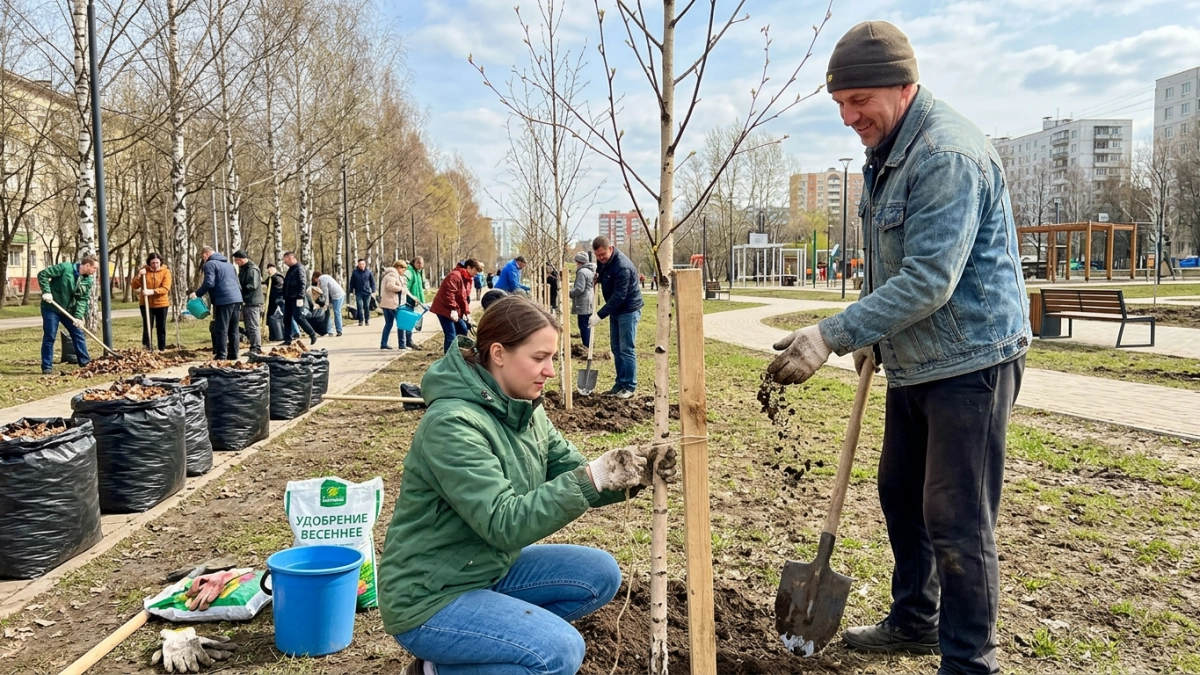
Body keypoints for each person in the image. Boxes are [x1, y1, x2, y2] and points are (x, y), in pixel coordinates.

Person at [766, 22, 1029, 674]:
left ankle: (970, 660)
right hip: (914, 357)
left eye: (859, 100)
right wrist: (874, 332)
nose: (849, 116)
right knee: (899, 492)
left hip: (971, 359)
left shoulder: (945, 155)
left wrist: (833, 333)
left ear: (903, 84)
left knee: (957, 518)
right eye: (840, 104)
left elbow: (929, 280)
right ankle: (916, 619)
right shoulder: (888, 151)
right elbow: (886, 267)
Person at [377, 296, 676, 675]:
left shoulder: (524, 408)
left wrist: (635, 474)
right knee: (558, 652)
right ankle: (436, 670)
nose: (550, 371)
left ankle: (479, 647)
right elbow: (505, 523)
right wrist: (593, 477)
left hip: (486, 570)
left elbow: (575, 470)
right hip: (429, 596)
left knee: (600, 573)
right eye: (539, 358)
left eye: (553, 358)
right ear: (499, 353)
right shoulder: (451, 425)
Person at [590, 236, 643, 399]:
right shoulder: (603, 261)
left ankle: (629, 386)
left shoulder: (622, 267)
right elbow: (602, 270)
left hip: (628, 309)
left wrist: (599, 315)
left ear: (610, 248)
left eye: (603, 255)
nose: (600, 258)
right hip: (616, 310)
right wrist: (598, 277)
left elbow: (620, 296)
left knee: (626, 348)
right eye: (597, 255)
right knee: (616, 348)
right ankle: (619, 383)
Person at [38, 256, 97, 374]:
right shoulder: (65, 268)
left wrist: (79, 317)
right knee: (50, 336)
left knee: (78, 333)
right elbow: (43, 274)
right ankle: (46, 366)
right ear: (87, 266)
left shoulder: (87, 280)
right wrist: (47, 291)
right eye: (94, 268)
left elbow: (82, 299)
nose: (95, 271)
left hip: (68, 311)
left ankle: (85, 362)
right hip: (51, 308)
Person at [190, 246, 243, 360]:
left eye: (203, 256)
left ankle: (221, 355)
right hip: (237, 298)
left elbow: (209, 283)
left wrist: (197, 294)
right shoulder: (229, 265)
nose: (203, 259)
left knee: (221, 328)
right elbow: (238, 284)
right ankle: (233, 354)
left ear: (206, 254)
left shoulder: (210, 264)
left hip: (223, 299)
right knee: (233, 328)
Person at [429, 259, 482, 354]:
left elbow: (464, 297)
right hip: (444, 308)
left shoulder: (467, 279)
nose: (476, 273)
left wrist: (466, 313)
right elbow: (449, 294)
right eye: (475, 270)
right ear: (468, 267)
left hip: (454, 309)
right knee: (451, 334)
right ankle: (449, 358)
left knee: (463, 329)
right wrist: (453, 308)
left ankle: (460, 353)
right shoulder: (455, 276)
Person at [131, 252, 172, 351]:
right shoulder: (144, 271)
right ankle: (147, 348)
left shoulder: (165, 272)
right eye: (153, 263)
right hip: (146, 304)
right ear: (149, 263)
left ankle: (161, 348)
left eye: (157, 263)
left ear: (160, 262)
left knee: (161, 327)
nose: (155, 265)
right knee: (147, 326)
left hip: (161, 304)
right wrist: (139, 275)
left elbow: (165, 288)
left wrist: (152, 292)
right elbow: (134, 285)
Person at [380, 260, 423, 350]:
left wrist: (414, 297)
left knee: (389, 324)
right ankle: (402, 344)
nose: (404, 271)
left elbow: (405, 289)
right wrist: (400, 289)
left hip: (387, 304)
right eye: (403, 269)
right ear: (398, 267)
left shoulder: (396, 275)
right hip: (392, 304)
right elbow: (390, 286)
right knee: (402, 323)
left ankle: (384, 343)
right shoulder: (392, 274)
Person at [281, 251, 318, 346]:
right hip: (289, 298)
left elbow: (302, 283)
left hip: (296, 297)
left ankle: (312, 333)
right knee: (287, 319)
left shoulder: (299, 269)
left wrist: (300, 297)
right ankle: (287, 339)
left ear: (291, 258)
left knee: (299, 317)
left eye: (286, 260)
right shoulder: (291, 269)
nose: (285, 262)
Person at [231, 250, 264, 355]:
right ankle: (253, 346)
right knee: (249, 325)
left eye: (237, 260)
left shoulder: (252, 269)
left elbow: (252, 285)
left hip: (253, 301)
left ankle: (256, 347)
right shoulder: (244, 269)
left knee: (253, 326)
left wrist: (239, 289)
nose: (236, 263)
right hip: (248, 301)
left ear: (241, 259)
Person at [569, 251, 595, 351]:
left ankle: (586, 347)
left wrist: (570, 293)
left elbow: (580, 288)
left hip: (583, 303)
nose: (576, 264)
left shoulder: (582, 272)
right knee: (587, 324)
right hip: (589, 301)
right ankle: (589, 344)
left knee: (583, 325)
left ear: (579, 262)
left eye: (576, 262)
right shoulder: (589, 271)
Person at [312, 271, 347, 337]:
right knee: (328, 312)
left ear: (315, 278)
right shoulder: (325, 277)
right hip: (334, 296)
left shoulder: (322, 279)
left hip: (337, 296)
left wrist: (325, 304)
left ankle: (339, 330)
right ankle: (329, 330)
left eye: (315, 280)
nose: (316, 282)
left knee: (337, 311)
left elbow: (325, 293)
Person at [406, 256, 428, 349]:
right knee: (409, 321)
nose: (420, 265)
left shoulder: (418, 273)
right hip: (410, 300)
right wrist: (412, 297)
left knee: (413, 320)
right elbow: (407, 286)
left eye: (422, 263)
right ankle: (408, 341)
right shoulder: (410, 272)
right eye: (418, 263)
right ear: (413, 263)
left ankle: (408, 340)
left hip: (417, 300)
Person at [348, 259, 376, 326]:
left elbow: (372, 282)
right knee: (359, 306)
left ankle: (367, 320)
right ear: (358, 265)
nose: (361, 265)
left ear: (365, 264)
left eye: (363, 264)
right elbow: (352, 282)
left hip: (367, 292)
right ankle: (360, 320)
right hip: (359, 292)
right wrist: (351, 291)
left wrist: (373, 290)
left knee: (366, 306)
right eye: (360, 264)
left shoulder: (369, 272)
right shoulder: (355, 272)